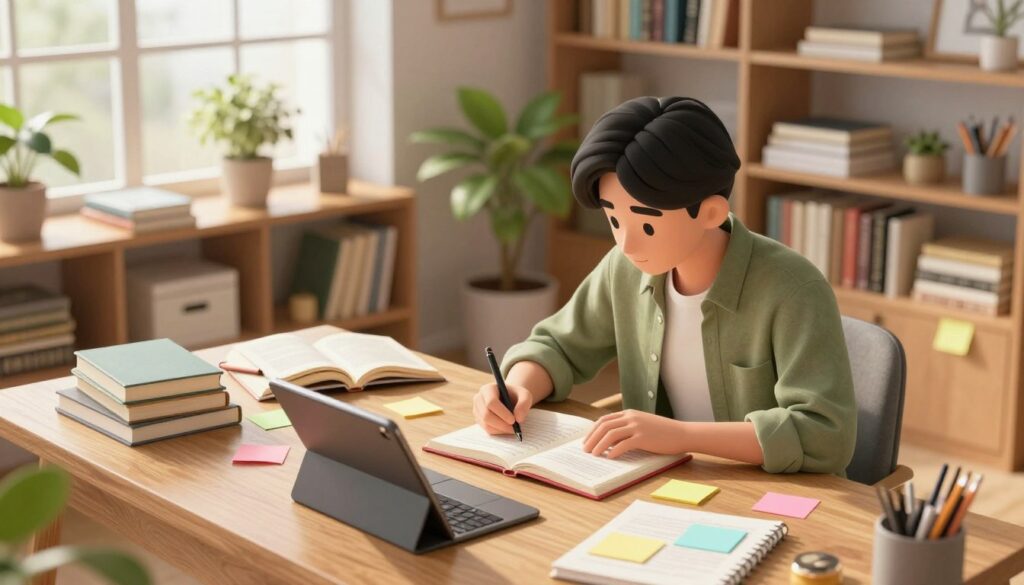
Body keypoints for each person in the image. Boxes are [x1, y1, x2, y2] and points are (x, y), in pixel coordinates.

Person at [472, 96, 857, 474]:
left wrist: (683, 436)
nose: (626, 244)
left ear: (710, 212)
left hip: (770, 496)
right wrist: (517, 389)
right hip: (660, 483)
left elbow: (824, 435)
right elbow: (557, 345)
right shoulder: (624, 269)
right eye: (614, 220)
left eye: (647, 225)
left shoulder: (793, 290)